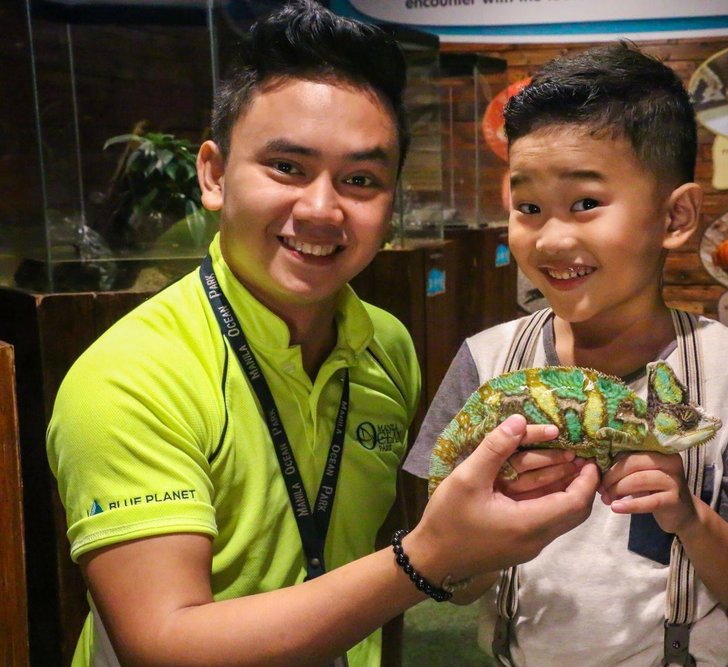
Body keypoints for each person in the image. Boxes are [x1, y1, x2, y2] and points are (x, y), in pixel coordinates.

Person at [45, 3, 598, 665]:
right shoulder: (130, 376)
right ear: (214, 175)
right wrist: (425, 558)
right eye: (287, 166)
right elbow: (163, 645)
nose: (320, 209)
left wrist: (489, 527)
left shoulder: (387, 345)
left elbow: (387, 571)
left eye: (360, 180)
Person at [404, 42, 728, 666]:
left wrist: (690, 517)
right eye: (528, 208)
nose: (551, 239)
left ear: (675, 216)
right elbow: (453, 584)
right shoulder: (486, 360)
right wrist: (484, 533)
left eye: (585, 204)